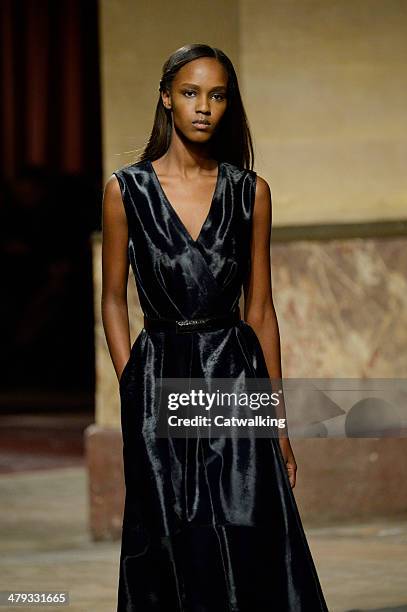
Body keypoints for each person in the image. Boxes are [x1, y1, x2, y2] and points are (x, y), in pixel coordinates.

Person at [102, 43, 328, 611]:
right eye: (190, 92)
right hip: (160, 381)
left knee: (248, 528)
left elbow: (261, 311)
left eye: (218, 95)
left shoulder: (250, 191)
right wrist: (134, 384)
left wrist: (277, 423)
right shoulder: (126, 191)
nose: (204, 107)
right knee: (172, 539)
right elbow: (110, 299)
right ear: (166, 99)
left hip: (234, 374)